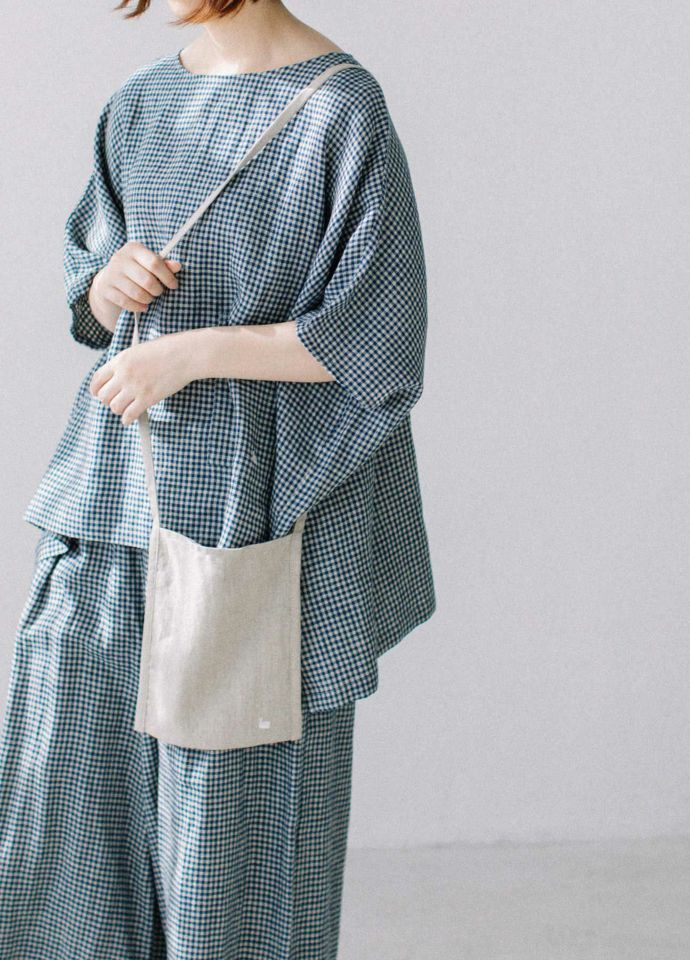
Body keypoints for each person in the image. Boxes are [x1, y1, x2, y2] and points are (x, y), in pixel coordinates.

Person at [0, 0, 436, 956]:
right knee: (68, 797)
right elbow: (92, 288)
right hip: (109, 502)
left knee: (232, 826)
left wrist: (192, 354)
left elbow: (378, 335)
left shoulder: (340, 110)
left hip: (249, 514)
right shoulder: (139, 104)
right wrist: (106, 283)